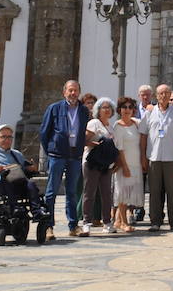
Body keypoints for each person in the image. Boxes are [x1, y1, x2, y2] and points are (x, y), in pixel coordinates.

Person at [39, 79, 91, 237]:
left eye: (75, 90)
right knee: (51, 192)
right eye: (70, 90)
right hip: (57, 156)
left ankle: (73, 226)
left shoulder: (83, 111)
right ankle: (48, 226)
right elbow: (44, 132)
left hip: (75, 155)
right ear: (64, 92)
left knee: (72, 192)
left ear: (79, 92)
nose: (73, 93)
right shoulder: (54, 108)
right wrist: (51, 149)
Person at [139, 83, 173, 231]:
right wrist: (143, 157)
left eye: (167, 93)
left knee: (172, 191)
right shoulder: (149, 113)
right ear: (156, 96)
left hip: (171, 157)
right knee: (154, 192)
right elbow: (143, 136)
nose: (164, 96)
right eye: (161, 93)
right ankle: (155, 221)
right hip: (153, 157)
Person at [0, 123, 43, 207]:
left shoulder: (17, 154)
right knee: (6, 180)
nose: (7, 140)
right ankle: (15, 208)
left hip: (18, 183)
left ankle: (37, 211)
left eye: (9, 137)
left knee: (31, 183)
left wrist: (31, 169)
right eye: (3, 137)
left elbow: (23, 170)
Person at [81, 97, 116, 235]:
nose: (107, 110)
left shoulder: (110, 126)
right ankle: (86, 222)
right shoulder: (94, 123)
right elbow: (83, 140)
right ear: (98, 110)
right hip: (92, 162)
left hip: (105, 164)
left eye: (109, 107)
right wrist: (94, 145)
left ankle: (107, 222)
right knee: (89, 192)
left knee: (107, 193)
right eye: (104, 107)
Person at [111, 97, 142, 233]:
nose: (127, 110)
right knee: (122, 194)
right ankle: (124, 222)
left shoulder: (136, 124)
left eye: (130, 107)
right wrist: (125, 167)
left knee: (129, 194)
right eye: (124, 107)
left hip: (136, 164)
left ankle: (118, 220)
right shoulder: (117, 126)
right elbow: (119, 149)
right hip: (125, 165)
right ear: (119, 110)